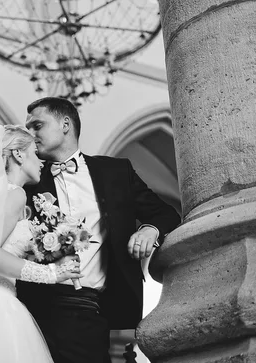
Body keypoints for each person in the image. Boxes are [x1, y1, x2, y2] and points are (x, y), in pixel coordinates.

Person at [17, 97, 181, 363]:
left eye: (37, 125)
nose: (31, 135)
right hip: (35, 307)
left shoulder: (116, 171)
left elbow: (165, 214)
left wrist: (150, 230)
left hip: (93, 309)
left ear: (65, 124)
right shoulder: (29, 178)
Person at [0, 123, 83, 363]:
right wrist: (51, 273)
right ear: (18, 154)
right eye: (34, 153)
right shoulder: (15, 194)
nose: (41, 161)